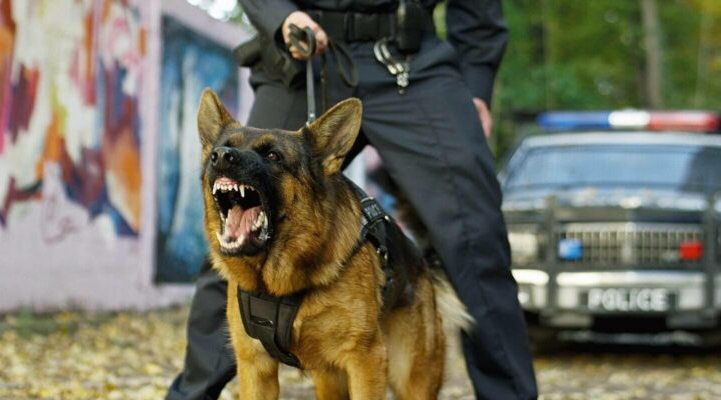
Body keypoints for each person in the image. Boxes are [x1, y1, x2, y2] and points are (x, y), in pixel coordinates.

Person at [166, 0, 538, 399]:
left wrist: (477, 85)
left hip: (413, 63)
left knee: (476, 234)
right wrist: (279, 18)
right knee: (238, 236)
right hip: (304, 52)